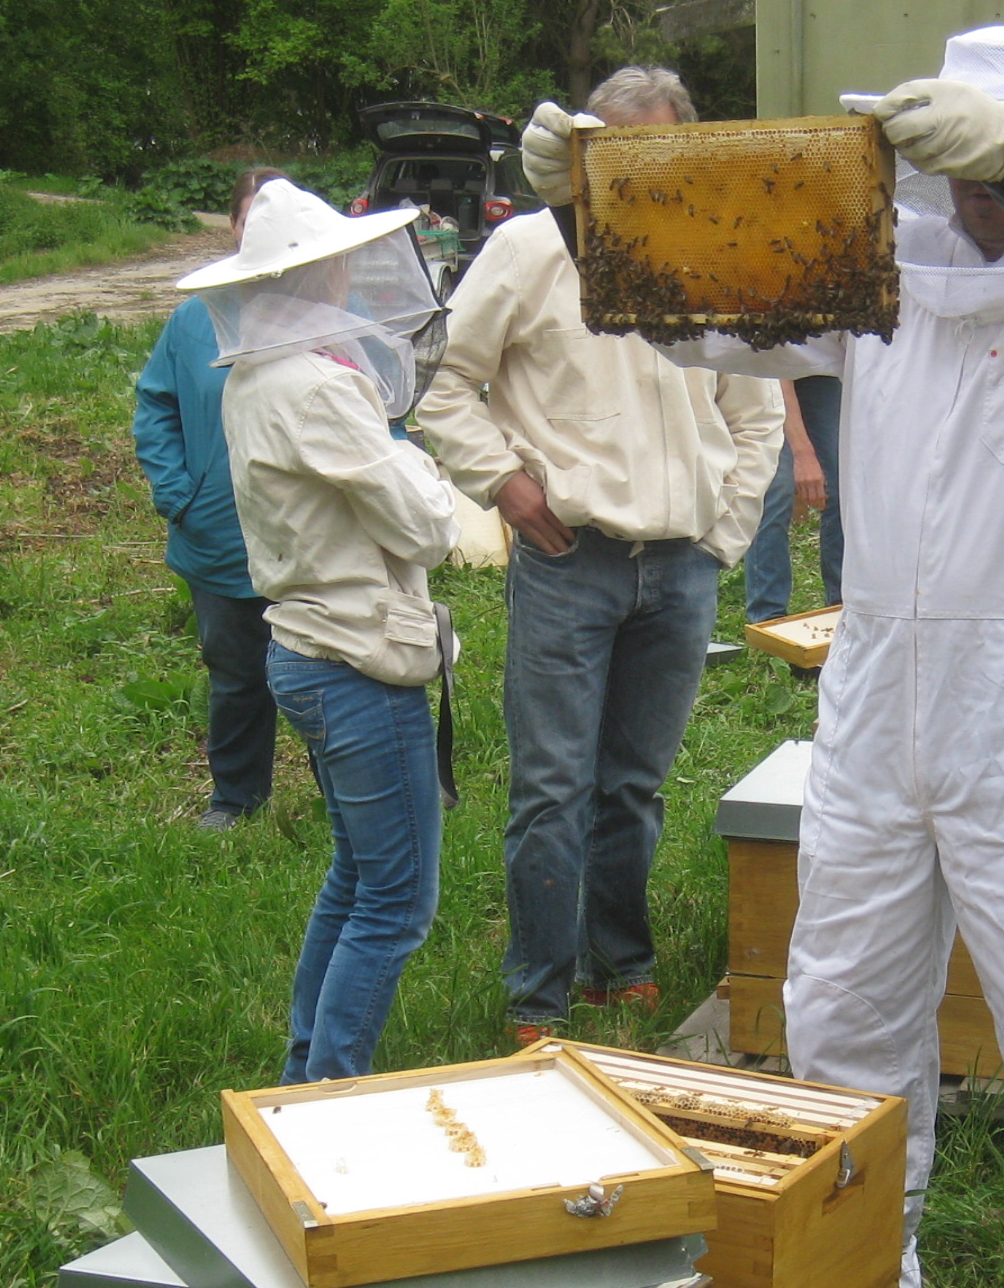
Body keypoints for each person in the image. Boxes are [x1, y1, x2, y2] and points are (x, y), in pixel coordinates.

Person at [527, 26, 1004, 1288]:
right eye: (957, 161)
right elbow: (697, 308)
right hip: (877, 691)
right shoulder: (877, 282)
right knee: (841, 1007)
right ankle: (854, 1286)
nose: (971, 193)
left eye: (1002, 158)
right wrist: (578, 205)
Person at [418, 65, 783, 1046]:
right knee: (551, 783)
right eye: (620, 155)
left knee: (634, 782)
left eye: (659, 151)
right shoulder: (527, 249)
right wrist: (505, 483)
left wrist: (721, 532)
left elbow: (755, 412)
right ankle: (539, 993)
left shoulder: (710, 246)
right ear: (585, 153)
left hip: (678, 567)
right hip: (569, 554)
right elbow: (444, 384)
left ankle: (619, 962)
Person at [176, 179, 459, 1082]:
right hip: (354, 661)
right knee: (398, 900)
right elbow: (428, 529)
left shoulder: (256, 376)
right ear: (320, 275)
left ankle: (306, 1069)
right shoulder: (313, 389)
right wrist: (426, 473)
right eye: (336, 264)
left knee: (357, 873)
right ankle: (330, 1094)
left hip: (305, 647)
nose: (347, 277)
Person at [134, 167, 287, 830]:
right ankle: (236, 797)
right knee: (236, 672)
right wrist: (178, 494)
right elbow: (156, 404)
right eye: (249, 219)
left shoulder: (341, 312)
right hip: (218, 535)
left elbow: (384, 411)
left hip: (310, 533)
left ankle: (354, 797)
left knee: (334, 668)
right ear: (232, 227)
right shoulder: (193, 319)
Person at [742, 376, 843, 626]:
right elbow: (776, 372)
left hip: (814, 370)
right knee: (776, 492)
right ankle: (768, 617)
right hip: (768, 366)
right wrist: (803, 454)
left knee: (843, 489)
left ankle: (845, 607)